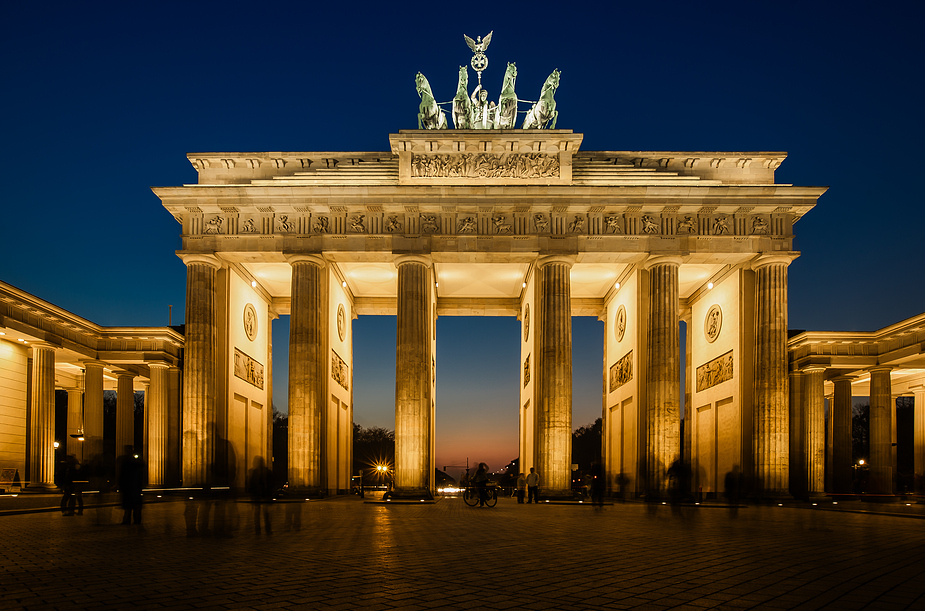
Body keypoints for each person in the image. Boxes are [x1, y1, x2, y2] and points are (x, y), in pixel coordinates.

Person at [118, 446, 145, 525]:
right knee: (134, 505)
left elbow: (122, 474)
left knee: (130, 505)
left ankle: (128, 520)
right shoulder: (134, 461)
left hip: (130, 486)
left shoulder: (127, 461)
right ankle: (135, 520)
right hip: (133, 486)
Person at [248, 456, 274, 534]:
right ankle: (266, 529)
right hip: (263, 495)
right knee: (265, 514)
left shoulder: (255, 472)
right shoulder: (266, 471)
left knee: (259, 514)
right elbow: (271, 483)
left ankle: (258, 529)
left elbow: (251, 484)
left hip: (259, 496)